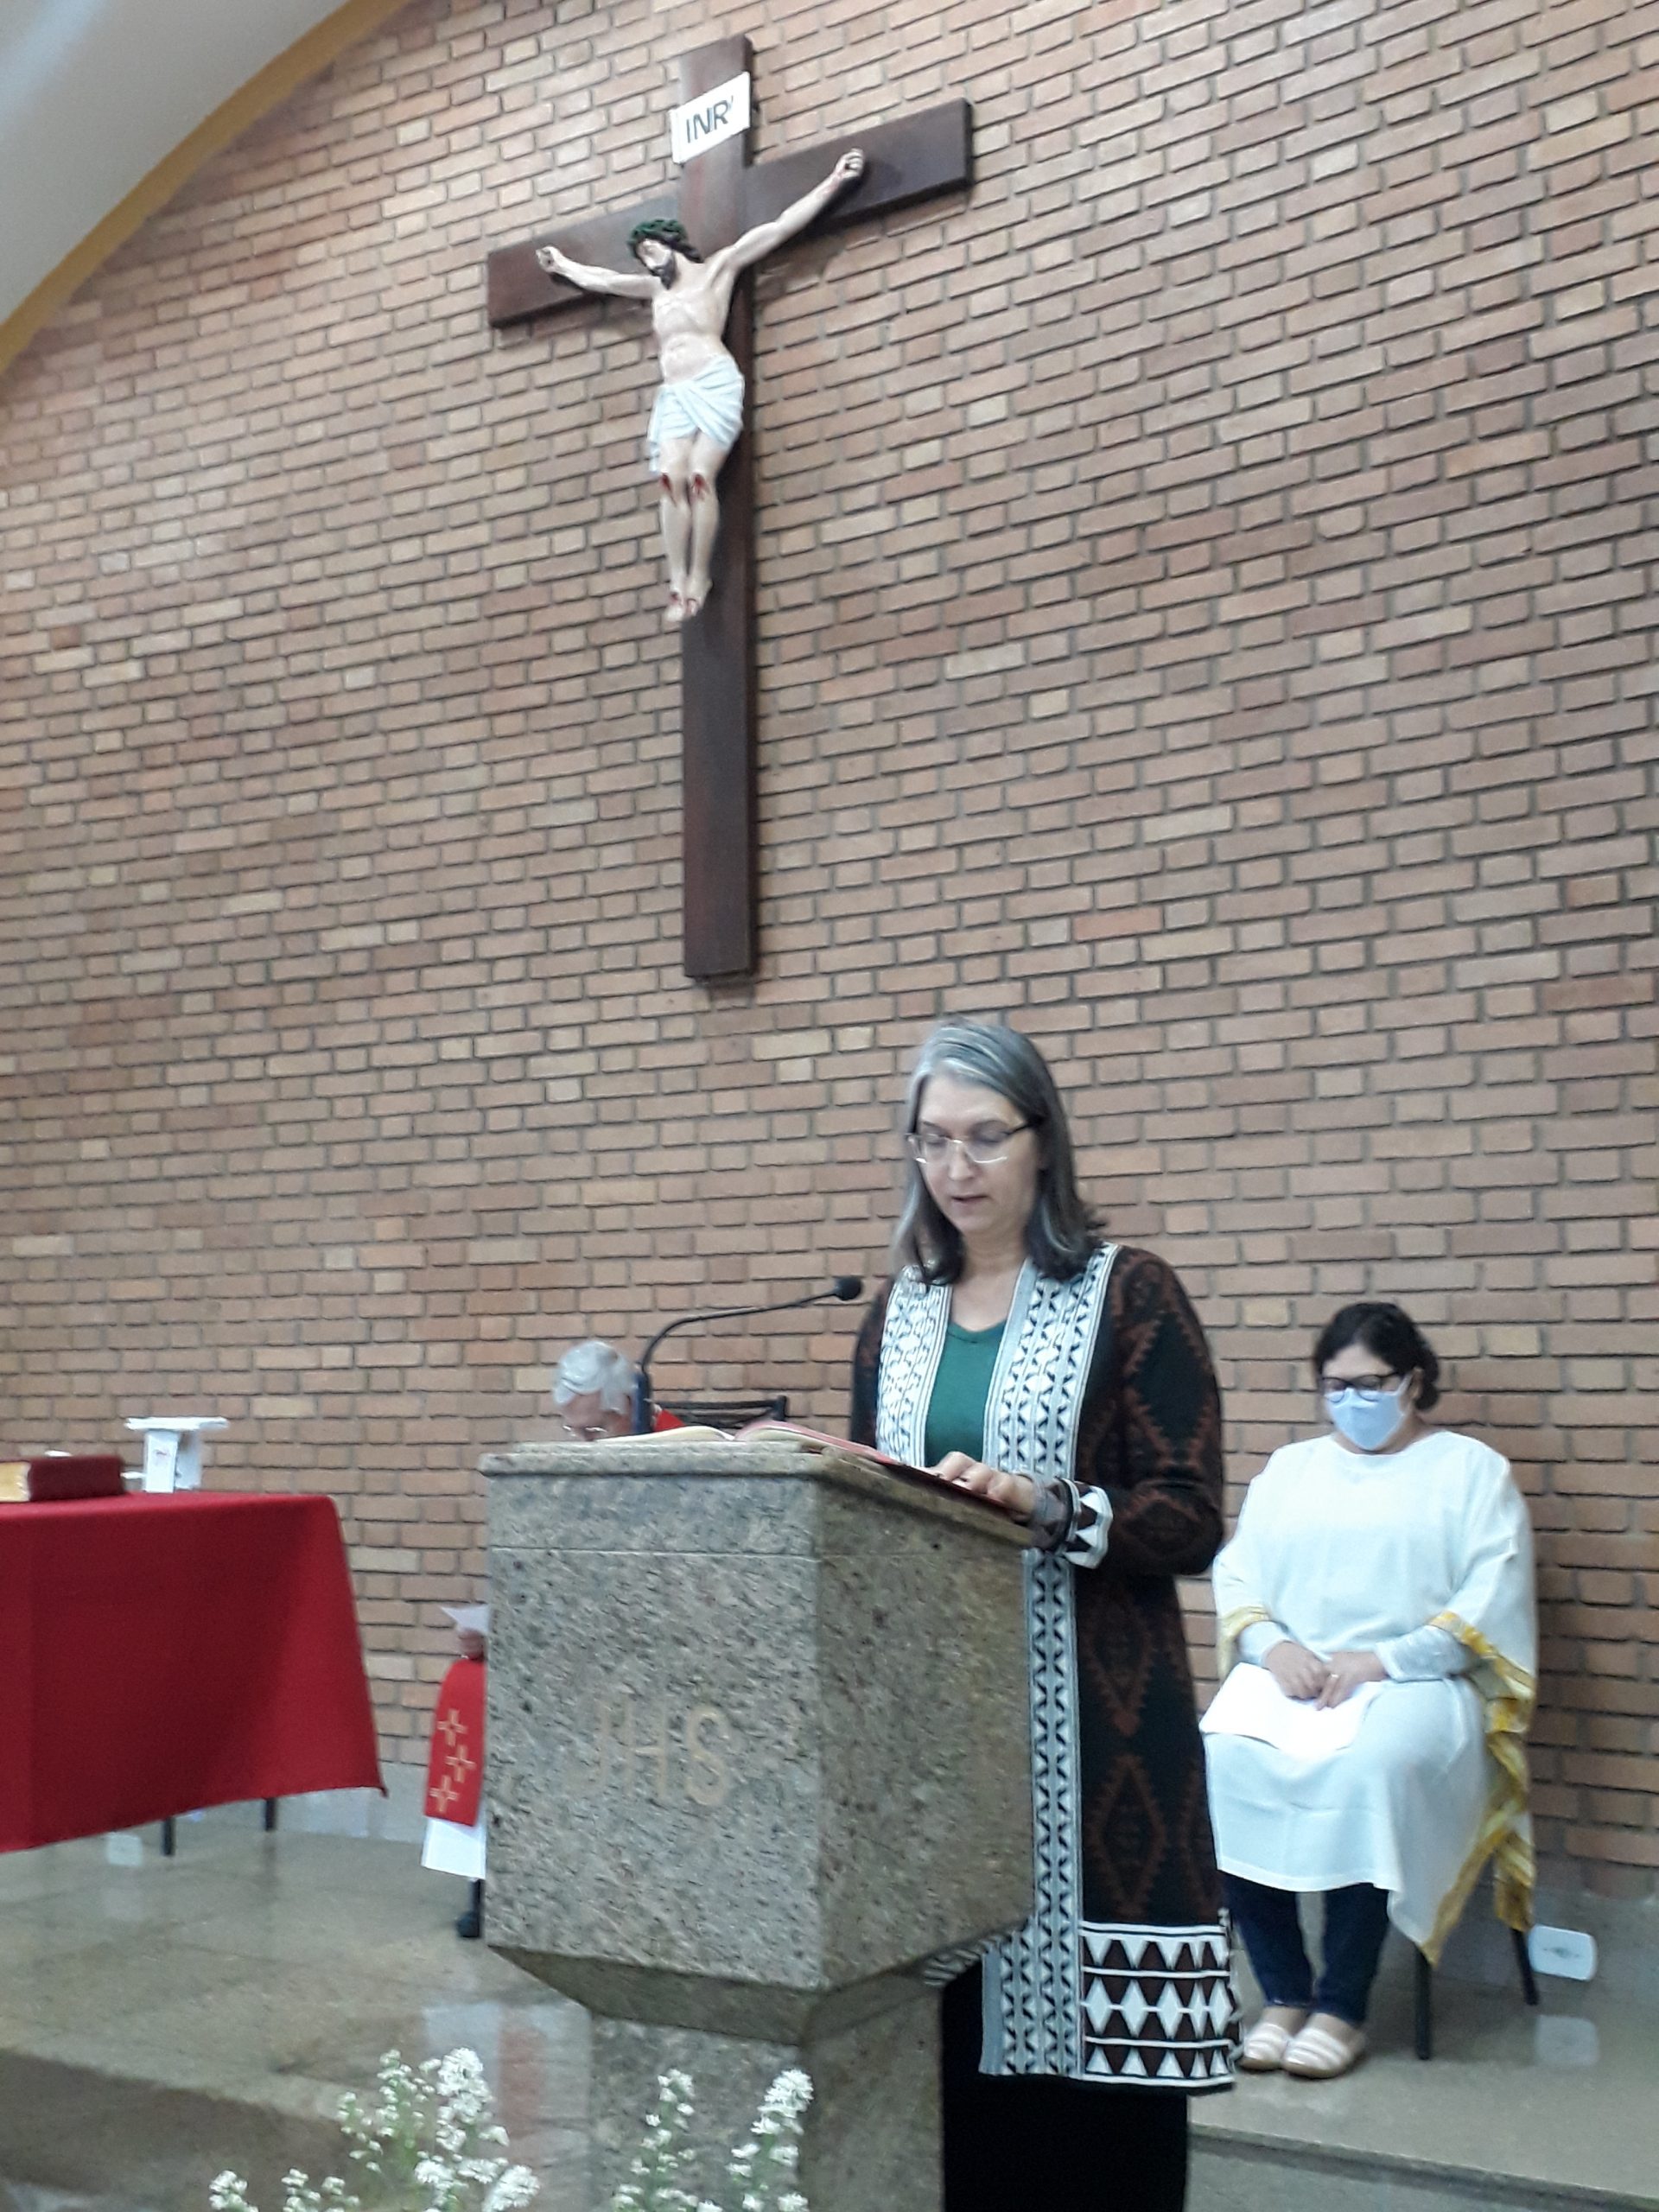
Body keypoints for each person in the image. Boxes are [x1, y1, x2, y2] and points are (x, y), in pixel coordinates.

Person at [849, 1020, 1236, 2212]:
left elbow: (1192, 1513)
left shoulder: (1129, 1294)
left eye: (984, 1137)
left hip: (1100, 1741)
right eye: (932, 1141)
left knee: (1098, 2114)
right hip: (938, 1746)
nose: (956, 1168)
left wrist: (1050, 1505)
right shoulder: (899, 1313)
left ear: (1043, 1141)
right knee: (961, 2082)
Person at [1205, 1302, 1535, 2080]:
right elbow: (1239, 1572)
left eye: (1372, 1383)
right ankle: (1283, 1992)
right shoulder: (1292, 1470)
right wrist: (1273, 1645)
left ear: (1414, 1381)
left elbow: (1490, 1597)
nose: (1353, 1400)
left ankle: (1341, 2005)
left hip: (1418, 1681)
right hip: (1295, 1677)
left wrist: (1384, 1659)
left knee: (1368, 1772)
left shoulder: (1470, 1471)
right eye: (1336, 1386)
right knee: (1219, 1759)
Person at [535, 149, 865, 625]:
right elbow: (604, 280)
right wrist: (563, 266)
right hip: (674, 391)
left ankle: (700, 578)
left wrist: (833, 180)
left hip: (713, 381)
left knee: (697, 476)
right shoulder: (654, 291)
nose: (649, 262)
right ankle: (677, 581)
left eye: (651, 250)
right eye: (642, 257)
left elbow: (779, 228)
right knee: (669, 476)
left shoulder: (718, 271)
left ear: (671, 243)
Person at [423, 1338, 654, 1937]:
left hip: (641, 1644)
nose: (581, 1445)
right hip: (567, 1641)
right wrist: (489, 1627)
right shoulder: (566, 1464)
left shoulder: (675, 1449)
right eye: (570, 1430)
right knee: (472, 1683)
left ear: (630, 1408)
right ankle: (488, 1880)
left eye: (594, 1431)